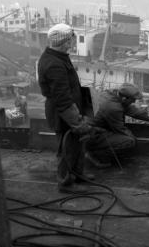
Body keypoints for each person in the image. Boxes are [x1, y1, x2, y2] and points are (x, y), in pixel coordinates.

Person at [38, 23, 95, 193]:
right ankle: (65, 183)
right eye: (71, 39)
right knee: (66, 148)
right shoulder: (54, 63)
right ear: (64, 42)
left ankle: (78, 174)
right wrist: (77, 122)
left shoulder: (58, 56)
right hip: (62, 113)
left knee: (77, 144)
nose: (73, 42)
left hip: (70, 109)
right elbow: (62, 99)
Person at [85, 83, 149, 167]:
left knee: (129, 139)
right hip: (95, 135)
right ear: (124, 98)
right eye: (133, 99)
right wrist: (134, 140)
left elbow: (132, 110)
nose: (134, 101)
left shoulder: (116, 96)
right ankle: (95, 155)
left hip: (102, 131)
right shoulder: (113, 107)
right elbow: (120, 129)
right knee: (129, 141)